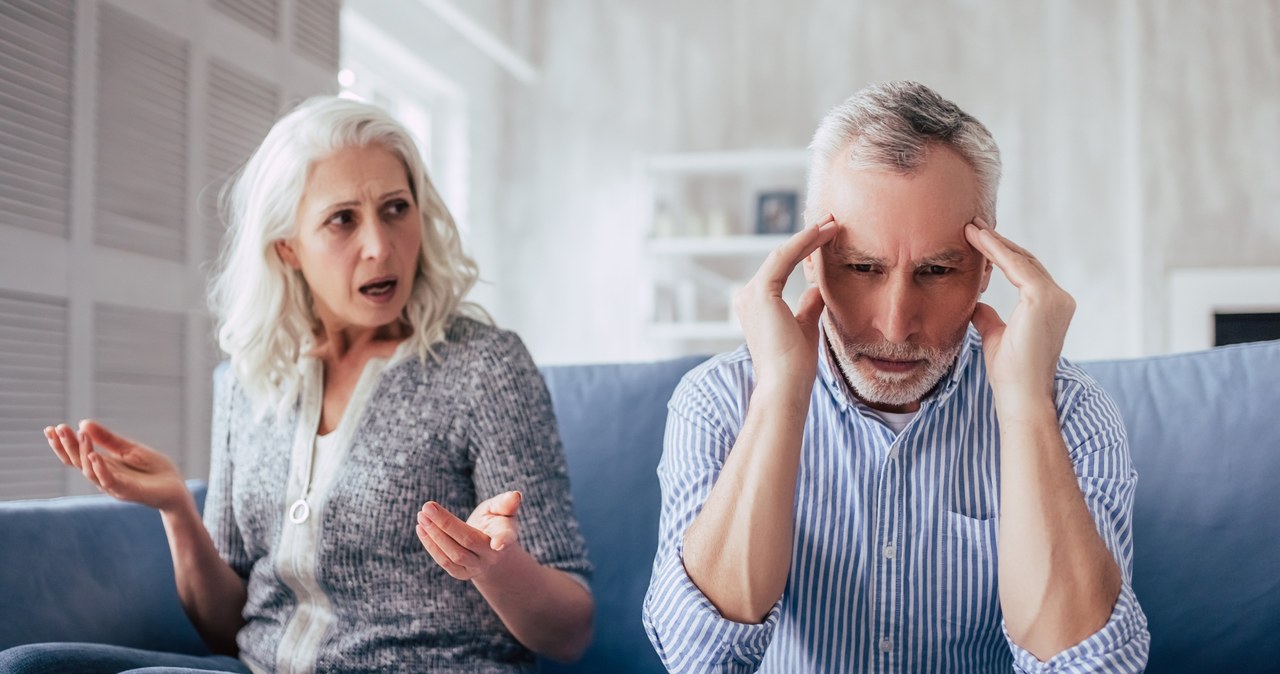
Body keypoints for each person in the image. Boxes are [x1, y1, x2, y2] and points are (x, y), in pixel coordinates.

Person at [2, 96, 593, 674]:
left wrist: (496, 569)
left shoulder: (484, 366)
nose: (379, 246)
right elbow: (225, 628)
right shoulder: (246, 381)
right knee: (29, 666)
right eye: (342, 220)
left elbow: (571, 633)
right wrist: (178, 509)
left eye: (395, 208)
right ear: (288, 247)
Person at [642, 81, 1150, 673]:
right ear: (809, 258)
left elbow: (1090, 668)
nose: (895, 323)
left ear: (988, 268)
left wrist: (1025, 408)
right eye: (861, 267)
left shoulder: (1073, 412)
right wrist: (780, 394)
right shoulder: (719, 400)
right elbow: (698, 659)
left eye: (936, 270)